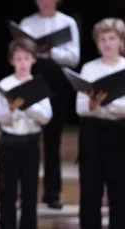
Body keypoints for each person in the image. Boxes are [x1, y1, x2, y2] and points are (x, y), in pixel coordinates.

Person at [20, 0, 80, 209]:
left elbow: (74, 57)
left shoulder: (67, 22)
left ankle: (53, 192)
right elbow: (20, 54)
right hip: (32, 77)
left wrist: (52, 51)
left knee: (53, 139)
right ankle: (26, 192)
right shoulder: (27, 23)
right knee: (28, 136)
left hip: (57, 80)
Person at [0, 38, 52, 229]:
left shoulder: (38, 84)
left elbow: (46, 117)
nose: (22, 63)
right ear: (12, 61)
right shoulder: (5, 83)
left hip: (30, 142)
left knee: (30, 192)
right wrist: (11, 110)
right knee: (7, 192)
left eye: (26, 58)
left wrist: (25, 106)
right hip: (9, 142)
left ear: (33, 60)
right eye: (18, 59)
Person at [75, 18, 125, 229]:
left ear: (121, 41)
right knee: (90, 191)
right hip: (93, 133)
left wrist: (102, 105)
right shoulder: (89, 68)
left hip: (121, 133)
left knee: (121, 191)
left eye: (112, 38)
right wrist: (96, 106)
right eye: (102, 39)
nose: (107, 43)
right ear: (97, 43)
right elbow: (80, 107)